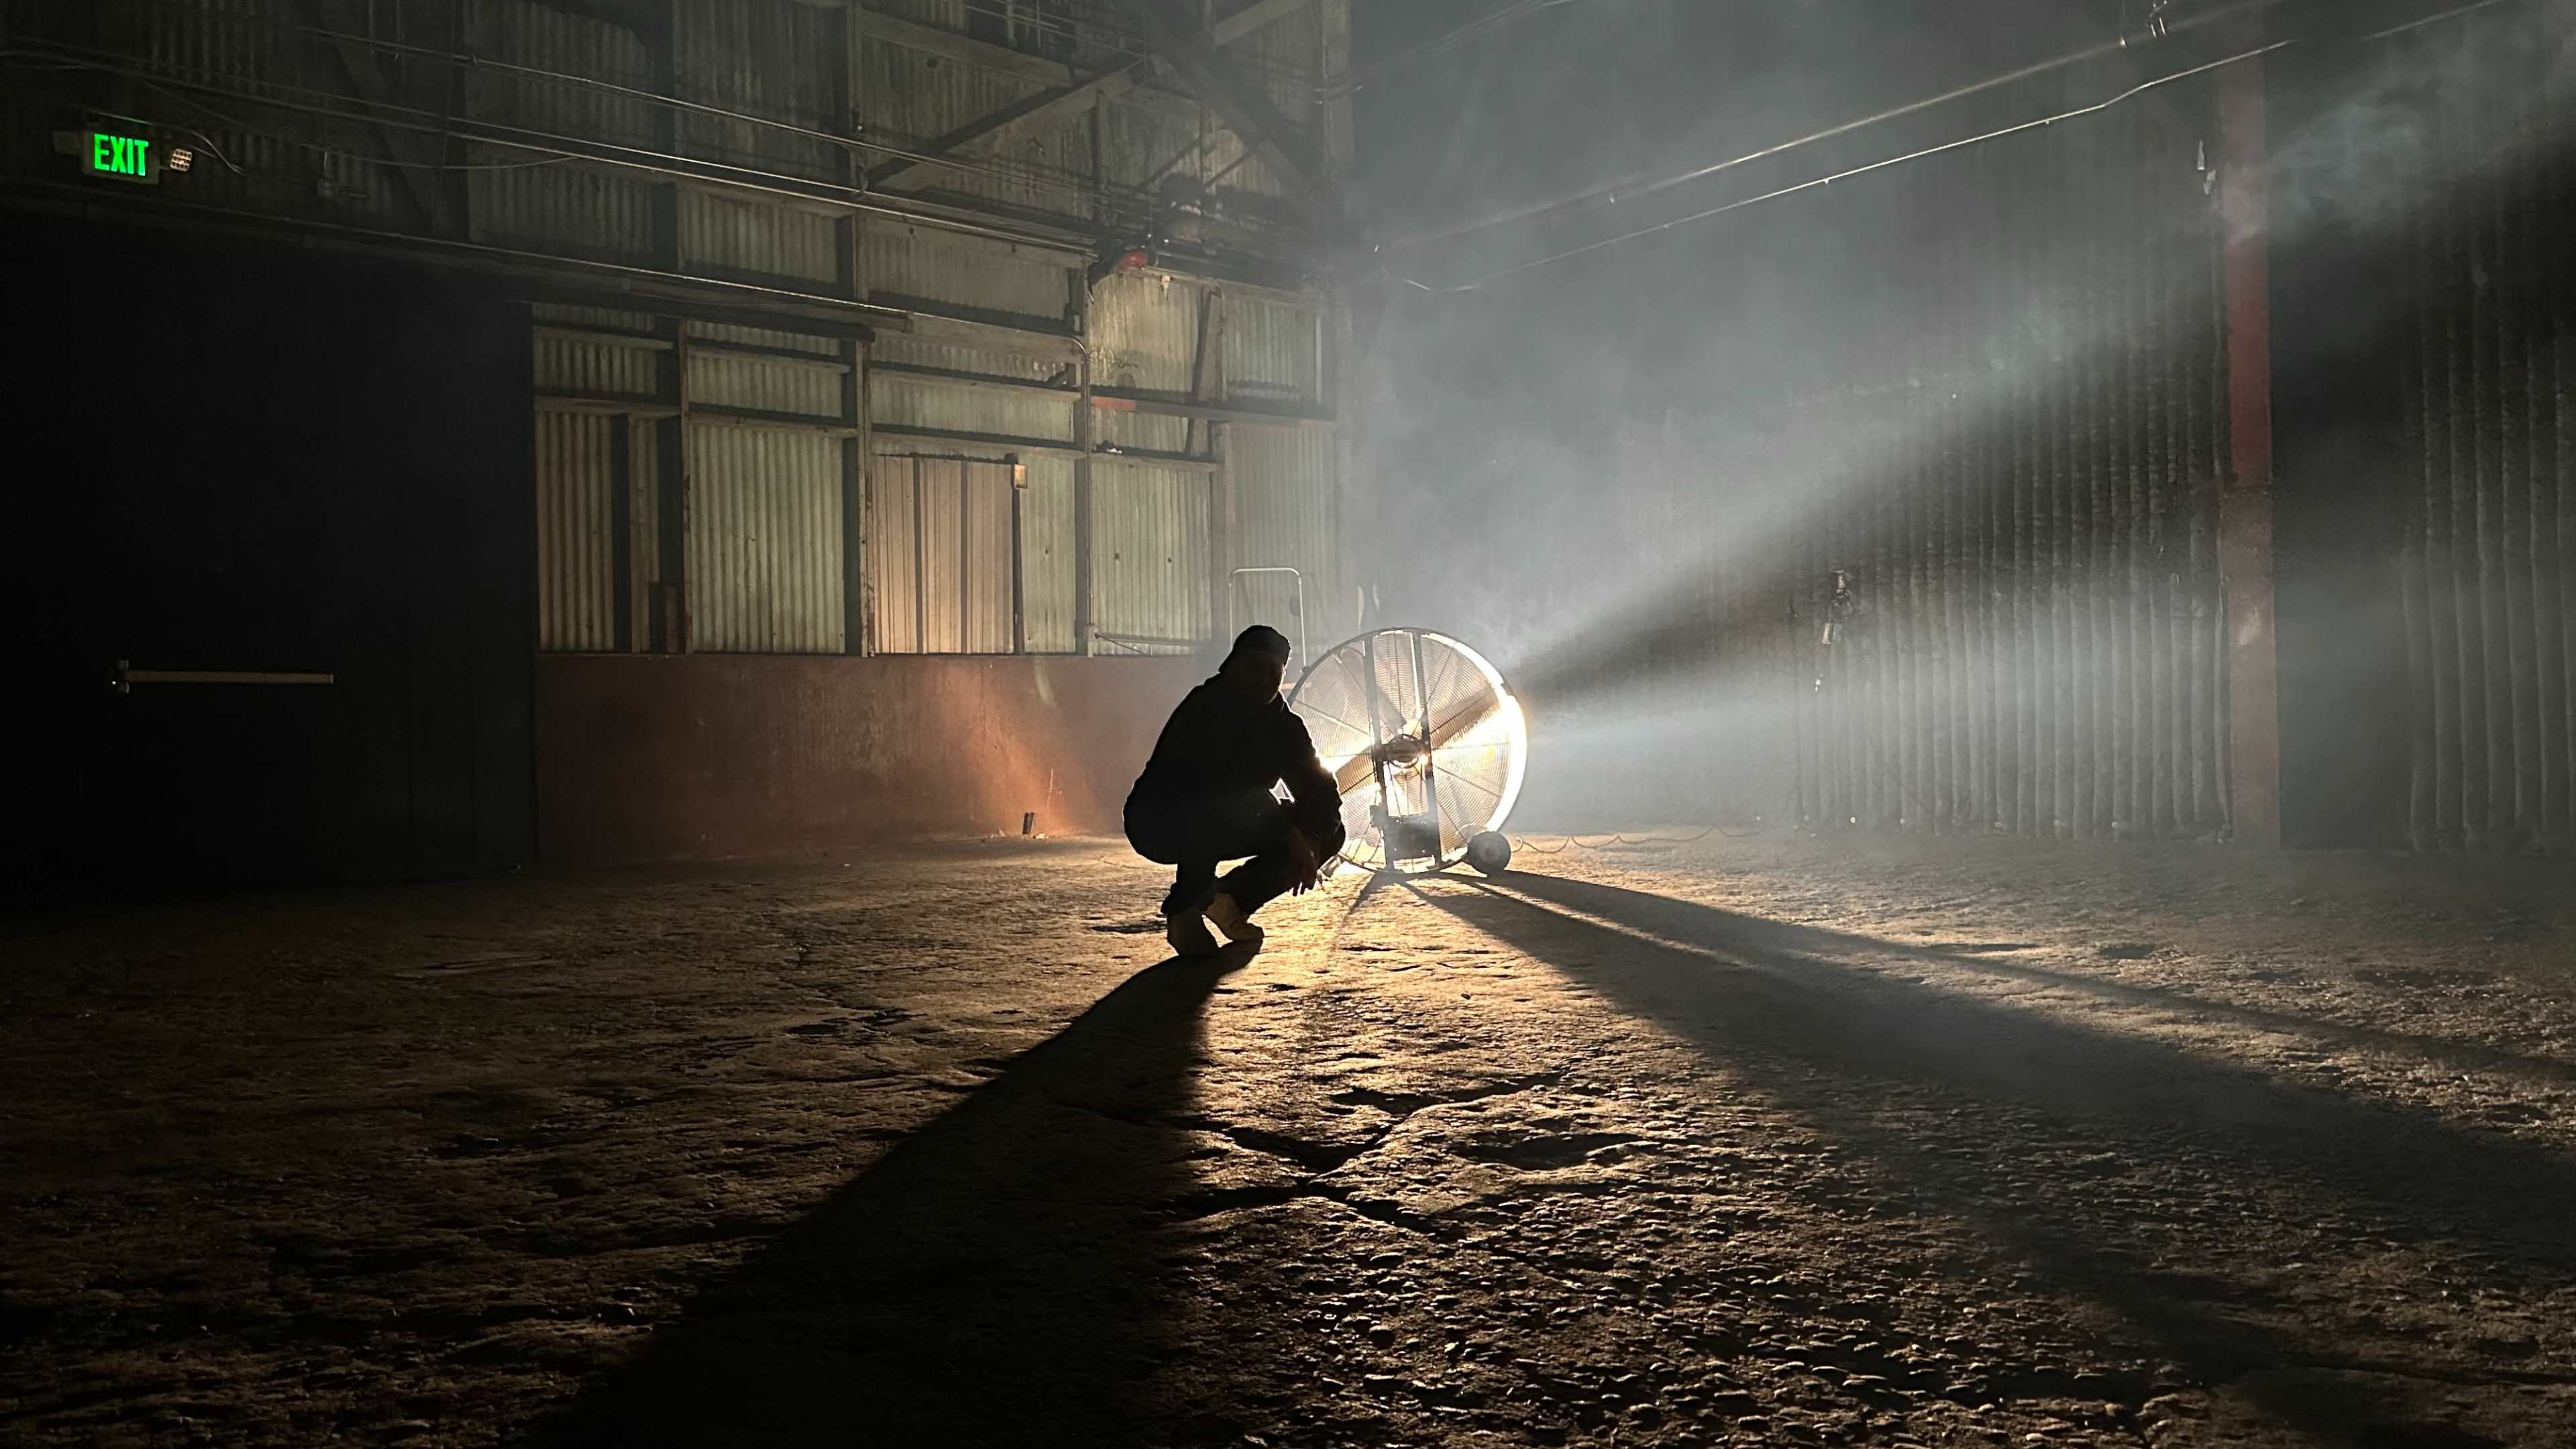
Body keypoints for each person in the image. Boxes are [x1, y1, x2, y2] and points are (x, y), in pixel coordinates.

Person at [1124, 625, 1346, 957]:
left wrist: (1312, 835)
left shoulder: (1284, 726)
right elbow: (1217, 788)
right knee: (1208, 812)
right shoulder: (1206, 709)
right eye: (1253, 667)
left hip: (1236, 817)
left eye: (1273, 671)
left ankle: (1232, 901)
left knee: (1332, 832)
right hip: (1159, 821)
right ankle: (1186, 909)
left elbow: (1320, 790)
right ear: (1233, 666)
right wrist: (1291, 835)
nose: (1262, 679)